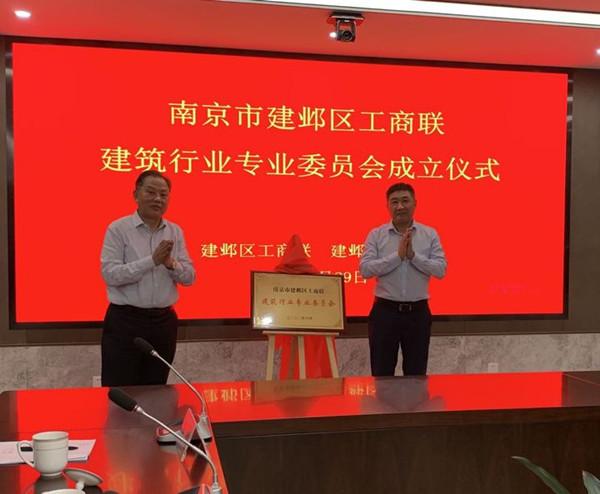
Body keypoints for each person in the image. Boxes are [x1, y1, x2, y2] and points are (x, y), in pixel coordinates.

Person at [100, 170, 196, 386]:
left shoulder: (175, 231)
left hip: (163, 323)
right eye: (151, 192)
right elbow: (110, 274)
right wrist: (151, 261)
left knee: (157, 389)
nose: (157, 199)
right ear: (136, 194)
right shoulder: (118, 229)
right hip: (125, 321)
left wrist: (170, 264)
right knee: (120, 388)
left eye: (163, 194)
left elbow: (190, 277)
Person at [359, 183, 447, 376]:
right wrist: (397, 257)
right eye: (394, 202)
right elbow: (365, 270)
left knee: (416, 375)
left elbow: (441, 270)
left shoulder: (429, 234)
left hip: (418, 313)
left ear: (415, 203)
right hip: (385, 312)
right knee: (381, 374)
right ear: (387, 206)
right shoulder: (376, 235)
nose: (400, 206)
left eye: (405, 201)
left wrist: (413, 256)